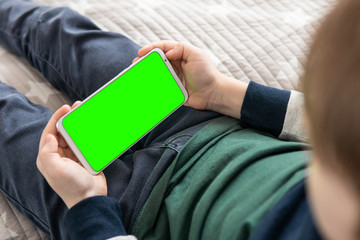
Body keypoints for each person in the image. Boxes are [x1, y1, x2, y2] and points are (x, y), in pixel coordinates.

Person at [0, 0, 359, 240]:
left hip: (130, 208)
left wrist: (86, 206)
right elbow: (325, 116)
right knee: (62, 31)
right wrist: (223, 92)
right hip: (208, 122)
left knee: (7, 125)